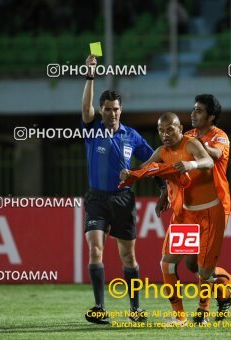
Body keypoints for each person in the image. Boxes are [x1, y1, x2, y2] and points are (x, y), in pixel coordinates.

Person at [120, 112, 231, 326]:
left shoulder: (192, 143)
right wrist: (129, 173)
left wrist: (191, 165)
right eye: (161, 130)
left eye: (170, 129)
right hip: (185, 215)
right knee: (167, 264)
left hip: (209, 214)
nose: (165, 134)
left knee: (204, 271)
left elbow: (207, 162)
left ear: (180, 128)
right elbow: (146, 169)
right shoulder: (162, 151)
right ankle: (179, 316)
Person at [81, 54, 166, 324]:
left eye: (116, 108)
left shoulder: (131, 135)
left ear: (121, 110)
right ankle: (99, 307)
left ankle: (135, 308)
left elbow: (153, 161)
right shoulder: (92, 129)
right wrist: (90, 75)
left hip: (123, 199)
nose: (112, 112)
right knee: (95, 249)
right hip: (96, 198)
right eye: (107, 108)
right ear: (101, 110)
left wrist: (163, 186)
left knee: (128, 255)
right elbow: (85, 109)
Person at [183, 94, 231, 323]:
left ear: (211, 117)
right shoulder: (187, 136)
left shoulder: (220, 136)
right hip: (191, 208)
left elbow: (217, 154)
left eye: (198, 110)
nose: (193, 113)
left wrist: (195, 143)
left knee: (203, 263)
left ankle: (203, 310)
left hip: (216, 205)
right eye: (193, 109)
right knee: (192, 263)